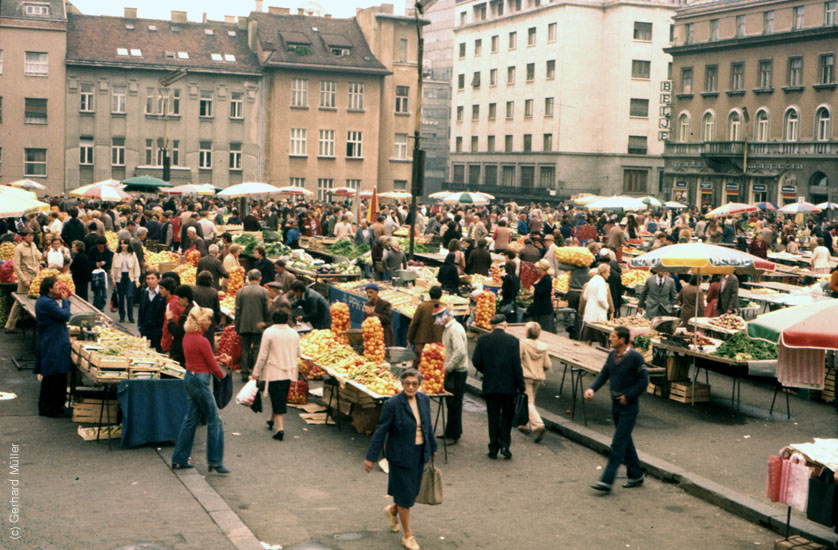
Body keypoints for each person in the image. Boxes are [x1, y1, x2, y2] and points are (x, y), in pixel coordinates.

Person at [364, 368, 438, 550]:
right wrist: (370, 457)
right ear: (402, 384)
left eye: (414, 383)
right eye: (407, 383)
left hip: (420, 453)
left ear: (419, 384)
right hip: (400, 455)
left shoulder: (424, 400)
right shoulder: (393, 404)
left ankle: (392, 510)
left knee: (411, 492)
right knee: (406, 497)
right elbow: (381, 430)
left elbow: (427, 426)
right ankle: (408, 535)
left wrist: (433, 447)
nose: (411, 387)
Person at [585, 326, 649, 493]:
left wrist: (629, 396)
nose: (610, 339)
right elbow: (604, 374)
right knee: (625, 440)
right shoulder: (612, 355)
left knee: (618, 443)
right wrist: (592, 388)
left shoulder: (635, 357)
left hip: (629, 407)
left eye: (613, 337)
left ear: (622, 339)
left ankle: (606, 480)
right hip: (615, 405)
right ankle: (636, 475)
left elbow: (643, 382)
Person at [170, 307, 229, 474]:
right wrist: (223, 377)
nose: (211, 322)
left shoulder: (188, 337)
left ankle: (179, 458)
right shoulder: (202, 341)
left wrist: (217, 359)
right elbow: (211, 364)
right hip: (201, 380)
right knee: (214, 420)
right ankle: (215, 461)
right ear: (202, 322)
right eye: (209, 319)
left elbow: (203, 358)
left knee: (191, 419)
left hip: (190, 377)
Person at [472, 314, 524, 459]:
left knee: (493, 416)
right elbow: (516, 365)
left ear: (492, 326)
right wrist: (521, 385)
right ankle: (505, 445)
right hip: (508, 386)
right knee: (507, 416)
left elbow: (476, 360)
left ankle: (493, 447)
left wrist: (487, 371)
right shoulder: (513, 341)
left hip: (491, 384)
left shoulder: (483, 340)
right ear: (505, 324)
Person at [250, 309, 300, 440]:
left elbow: (262, 355)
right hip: (289, 370)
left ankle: (280, 429)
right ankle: (271, 419)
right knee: (280, 397)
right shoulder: (294, 333)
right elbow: (299, 352)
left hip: (273, 371)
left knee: (277, 398)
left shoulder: (269, 332)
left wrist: (255, 372)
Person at [34, 276, 72, 417]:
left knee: (52, 376)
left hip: (51, 340)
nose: (59, 286)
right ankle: (52, 408)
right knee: (56, 376)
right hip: (54, 342)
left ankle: (48, 407)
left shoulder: (45, 301)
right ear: (50, 288)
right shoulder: (48, 303)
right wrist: (66, 301)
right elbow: (64, 316)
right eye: (56, 284)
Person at [436, 305, 468, 446]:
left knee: (454, 403)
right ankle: (452, 431)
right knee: (451, 403)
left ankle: (453, 434)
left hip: (457, 371)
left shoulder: (454, 329)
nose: (436, 321)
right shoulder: (449, 328)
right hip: (453, 370)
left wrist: (447, 368)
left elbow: (459, 352)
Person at [518, 322, 551, 443]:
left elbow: (517, 358)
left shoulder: (522, 343)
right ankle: (526, 425)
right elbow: (547, 364)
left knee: (528, 402)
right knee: (531, 401)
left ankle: (538, 424)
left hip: (526, 375)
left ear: (527, 332)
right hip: (538, 376)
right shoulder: (543, 346)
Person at [235, 269, 269, 381]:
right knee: (257, 349)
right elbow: (266, 310)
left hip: (244, 324)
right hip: (259, 324)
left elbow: (237, 310)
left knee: (245, 349)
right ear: (259, 278)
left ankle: (244, 373)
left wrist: (237, 326)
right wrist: (267, 324)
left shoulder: (241, 291)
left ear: (248, 278)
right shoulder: (264, 292)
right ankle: (255, 373)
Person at [5, 230, 41, 332]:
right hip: (25, 277)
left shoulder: (33, 245)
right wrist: (24, 279)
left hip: (35, 277)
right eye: (29, 235)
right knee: (19, 301)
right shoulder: (19, 248)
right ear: (23, 237)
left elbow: (38, 258)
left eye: (32, 235)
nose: (31, 237)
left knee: (35, 299)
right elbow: (16, 266)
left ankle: (33, 322)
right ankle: (10, 325)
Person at [407, 285, 443, 368]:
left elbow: (414, 324)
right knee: (433, 368)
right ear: (440, 296)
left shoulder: (422, 306)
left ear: (429, 294)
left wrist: (410, 338)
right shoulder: (444, 308)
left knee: (420, 364)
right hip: (437, 344)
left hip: (421, 342)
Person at [111, 238, 142, 324]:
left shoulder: (132, 254)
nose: (123, 245)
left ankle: (130, 316)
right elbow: (113, 267)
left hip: (130, 277)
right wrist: (113, 279)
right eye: (121, 244)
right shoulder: (116, 254)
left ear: (128, 245)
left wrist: (137, 279)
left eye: (124, 243)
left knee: (129, 296)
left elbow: (136, 267)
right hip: (119, 277)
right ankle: (122, 316)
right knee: (121, 297)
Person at [192, 270, 221, 349]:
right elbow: (217, 309)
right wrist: (217, 321)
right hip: (209, 321)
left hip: (195, 319)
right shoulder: (214, 292)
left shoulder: (193, 290)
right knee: (208, 342)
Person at [167, 285, 195, 366]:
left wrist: (170, 320)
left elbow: (178, 332)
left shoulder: (186, 314)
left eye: (179, 298)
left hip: (182, 350)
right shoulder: (193, 307)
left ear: (185, 299)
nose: (178, 301)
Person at [581, 263, 611, 340]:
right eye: (608, 272)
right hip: (598, 315)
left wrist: (591, 301)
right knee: (602, 339)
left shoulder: (592, 280)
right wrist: (607, 306)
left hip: (589, 314)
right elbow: (601, 299)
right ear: (603, 273)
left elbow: (585, 296)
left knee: (588, 338)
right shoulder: (602, 283)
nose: (609, 274)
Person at [138, 270, 166, 351]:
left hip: (157, 330)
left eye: (152, 278)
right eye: (148, 279)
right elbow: (141, 310)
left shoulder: (162, 294)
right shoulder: (144, 292)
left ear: (158, 279)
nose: (150, 281)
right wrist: (140, 326)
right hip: (145, 329)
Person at [526, 259, 555, 333]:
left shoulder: (546, 279)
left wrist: (533, 289)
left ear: (542, 269)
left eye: (537, 268)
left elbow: (541, 292)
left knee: (545, 331)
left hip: (544, 309)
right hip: (539, 308)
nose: (536, 270)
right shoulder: (541, 277)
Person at [363, 283, 394, 348]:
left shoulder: (385, 304)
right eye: (367, 292)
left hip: (383, 336)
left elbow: (386, 319)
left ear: (377, 292)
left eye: (371, 292)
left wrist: (371, 313)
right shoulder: (367, 304)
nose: (369, 294)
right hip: (371, 337)